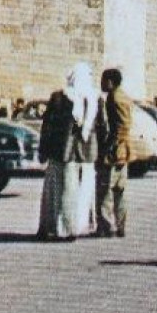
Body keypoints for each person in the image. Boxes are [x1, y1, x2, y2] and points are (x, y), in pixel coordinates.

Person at [36, 63, 99, 241]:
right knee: (80, 192)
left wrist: (43, 150)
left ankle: (58, 228)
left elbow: (47, 126)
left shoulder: (59, 97)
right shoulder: (93, 99)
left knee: (59, 191)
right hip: (85, 155)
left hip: (61, 153)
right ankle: (76, 227)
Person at [94, 68, 134, 237]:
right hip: (124, 150)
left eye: (103, 80)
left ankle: (106, 226)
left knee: (105, 190)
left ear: (110, 82)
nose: (101, 83)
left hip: (114, 150)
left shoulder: (113, 98)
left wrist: (108, 149)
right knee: (120, 190)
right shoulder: (125, 96)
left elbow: (118, 127)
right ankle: (121, 225)